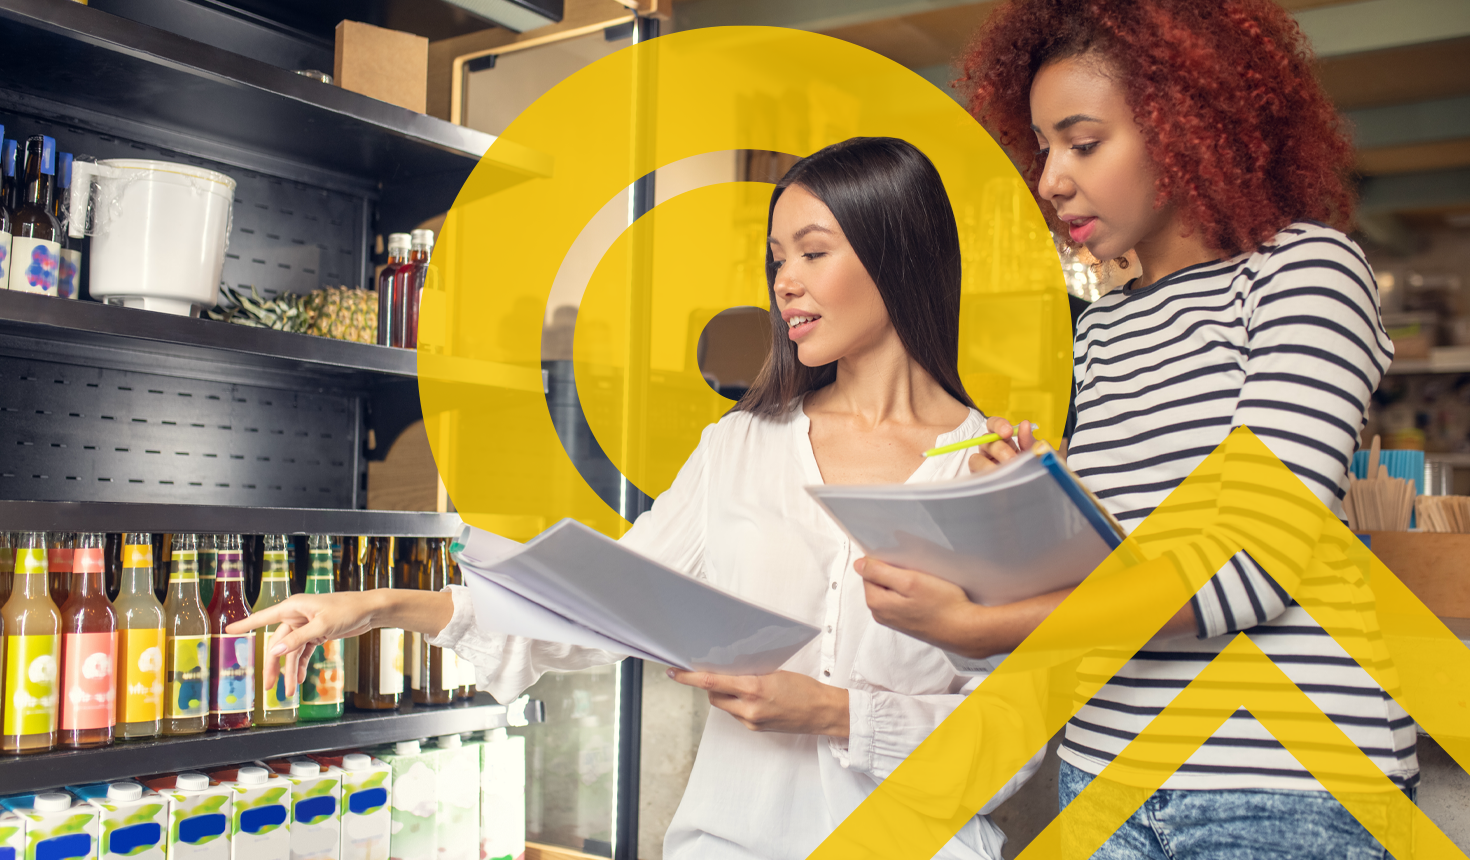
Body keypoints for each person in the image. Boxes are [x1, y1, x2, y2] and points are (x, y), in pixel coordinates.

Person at [232, 137, 1043, 860]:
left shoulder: (989, 469)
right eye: (775, 258)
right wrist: (377, 606)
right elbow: (596, 610)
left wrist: (835, 713)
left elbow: (1015, 739)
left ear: (898, 255)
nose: (784, 281)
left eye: (812, 251)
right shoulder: (741, 448)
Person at [853, 2, 1409, 858]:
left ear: (1187, 125)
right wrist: (1040, 502)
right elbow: (1127, 561)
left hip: (1282, 782)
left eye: (1082, 143)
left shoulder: (1305, 271)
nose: (1050, 180)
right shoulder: (1107, 325)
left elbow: (1246, 565)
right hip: (1104, 771)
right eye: (1042, 148)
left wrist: (983, 627)